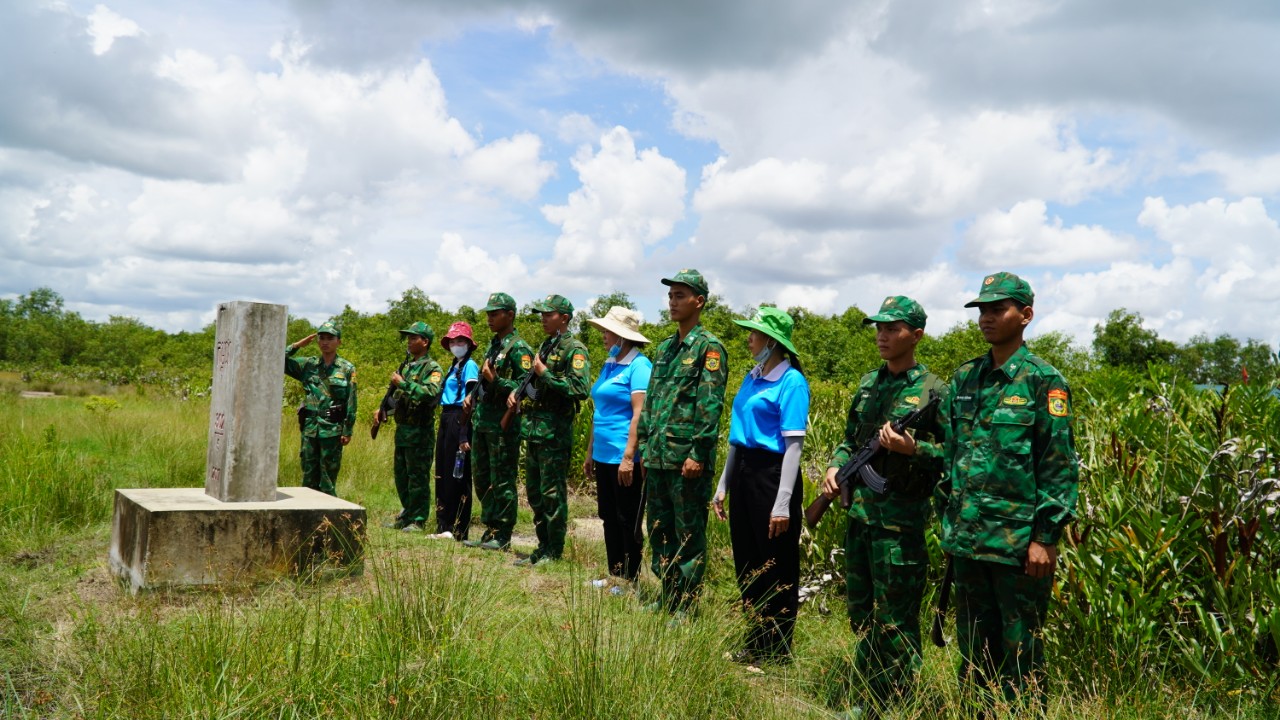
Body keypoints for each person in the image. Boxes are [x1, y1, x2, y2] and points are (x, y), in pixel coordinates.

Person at [936, 272, 1079, 707]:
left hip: (1018, 547)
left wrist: (1045, 537)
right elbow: (950, 456)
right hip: (968, 541)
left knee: (1022, 654)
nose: (987, 318)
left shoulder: (1043, 381)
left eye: (998, 309)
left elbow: (1058, 465)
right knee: (974, 651)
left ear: (1026, 315)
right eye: (982, 310)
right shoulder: (965, 379)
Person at [820, 296, 946, 717]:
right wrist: (836, 467)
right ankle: (871, 691)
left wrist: (915, 449)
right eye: (879, 328)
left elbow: (956, 454)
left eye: (892, 328)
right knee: (861, 611)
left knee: (895, 616)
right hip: (860, 516)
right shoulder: (867, 384)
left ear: (917, 335)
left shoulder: (934, 391)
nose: (882, 335)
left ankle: (890, 702)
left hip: (900, 522)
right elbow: (849, 439)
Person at [713, 307, 810, 665]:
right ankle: (755, 640)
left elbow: (794, 445)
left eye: (754, 333)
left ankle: (777, 650)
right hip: (744, 472)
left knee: (776, 563)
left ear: (772, 341)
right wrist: (723, 484)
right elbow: (737, 438)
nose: (749, 338)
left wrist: (783, 502)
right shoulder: (752, 377)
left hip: (772, 475)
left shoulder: (792, 382)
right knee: (748, 561)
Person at [635, 269, 728, 614]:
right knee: (659, 528)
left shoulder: (709, 347)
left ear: (699, 301)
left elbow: (710, 406)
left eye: (680, 296)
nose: (672, 302)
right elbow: (653, 401)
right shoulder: (665, 348)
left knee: (688, 533)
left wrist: (698, 453)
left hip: (686, 458)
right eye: (670, 296)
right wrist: (644, 446)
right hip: (659, 455)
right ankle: (667, 594)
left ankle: (686, 605)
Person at [510, 294, 591, 566]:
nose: (543, 319)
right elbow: (530, 379)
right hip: (533, 432)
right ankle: (542, 547)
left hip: (554, 434)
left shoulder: (574, 349)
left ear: (564, 318)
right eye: (541, 314)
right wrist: (516, 393)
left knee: (552, 494)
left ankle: (553, 552)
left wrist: (545, 374)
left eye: (549, 314)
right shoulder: (546, 344)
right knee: (534, 494)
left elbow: (580, 389)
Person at [582, 306, 652, 589]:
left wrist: (628, 457)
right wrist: (590, 452)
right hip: (603, 453)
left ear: (623, 336)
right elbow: (599, 410)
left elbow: (639, 413)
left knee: (627, 517)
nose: (603, 336)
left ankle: (630, 580)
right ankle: (615, 574)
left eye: (607, 331)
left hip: (624, 456)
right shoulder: (610, 363)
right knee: (608, 516)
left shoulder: (640, 366)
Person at [463, 293, 533, 551]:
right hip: (482, 423)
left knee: (502, 480)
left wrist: (496, 381)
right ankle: (489, 530)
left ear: (510, 315)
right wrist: (472, 396)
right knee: (482, 479)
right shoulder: (494, 346)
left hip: (502, 428)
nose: (489, 318)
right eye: (488, 313)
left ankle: (502, 534)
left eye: (495, 313)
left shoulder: (520, 349)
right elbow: (485, 379)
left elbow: (524, 388)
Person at [372, 322, 443, 532]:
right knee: (402, 476)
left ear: (425, 341)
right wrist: (384, 409)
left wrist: (402, 383)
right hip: (402, 431)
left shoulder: (432, 368)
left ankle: (418, 519)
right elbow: (400, 399)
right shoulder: (407, 366)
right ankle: (407, 513)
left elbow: (430, 394)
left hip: (420, 432)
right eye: (408, 338)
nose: (409, 342)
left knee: (417, 477)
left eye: (414, 338)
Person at [284, 321, 357, 496]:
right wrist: (296, 346)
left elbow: (352, 401)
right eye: (321, 338)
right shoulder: (308, 365)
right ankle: (307, 516)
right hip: (310, 427)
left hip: (332, 428)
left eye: (330, 338)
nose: (325, 342)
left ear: (338, 341)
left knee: (328, 477)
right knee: (308, 475)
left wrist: (347, 430)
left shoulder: (346, 368)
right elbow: (277, 359)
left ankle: (328, 519)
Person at [430, 321, 480, 541]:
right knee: (442, 471)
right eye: (453, 341)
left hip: (459, 419)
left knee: (457, 475)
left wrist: (463, 433)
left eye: (460, 341)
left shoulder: (470, 366)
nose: (456, 344)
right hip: (446, 417)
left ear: (468, 344)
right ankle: (443, 525)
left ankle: (458, 528)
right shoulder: (454, 365)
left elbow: (470, 401)